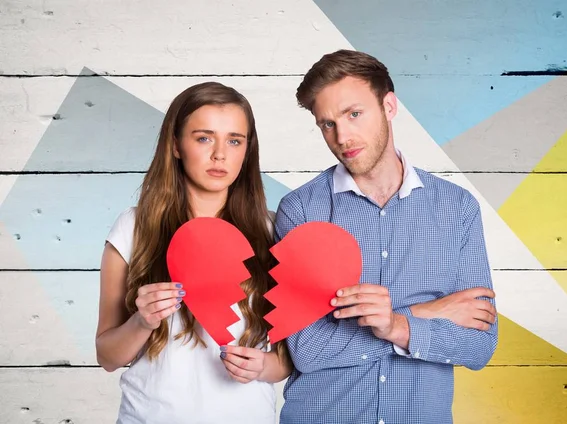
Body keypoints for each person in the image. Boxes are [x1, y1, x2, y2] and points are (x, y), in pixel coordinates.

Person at [275, 49, 498, 424]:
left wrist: (396, 324)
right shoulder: (301, 212)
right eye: (327, 124)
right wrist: (421, 316)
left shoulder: (456, 208)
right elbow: (308, 351)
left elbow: (479, 346)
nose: (342, 136)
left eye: (354, 114)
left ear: (389, 106)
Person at [95, 82, 292, 424]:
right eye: (204, 138)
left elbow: (287, 359)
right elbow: (107, 356)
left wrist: (265, 367)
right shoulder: (133, 227)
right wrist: (142, 321)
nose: (220, 154)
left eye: (234, 140)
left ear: (247, 151)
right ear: (175, 144)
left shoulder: (271, 230)